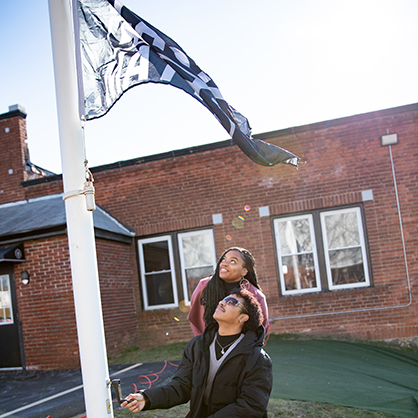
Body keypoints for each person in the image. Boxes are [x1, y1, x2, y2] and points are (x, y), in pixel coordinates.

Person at [121, 288, 273, 417]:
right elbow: (181, 386)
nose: (222, 302)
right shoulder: (197, 346)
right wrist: (147, 398)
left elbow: (251, 406)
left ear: (243, 317)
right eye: (224, 299)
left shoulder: (258, 358)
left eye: (231, 302)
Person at [187, 247, 269, 336]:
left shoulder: (256, 295)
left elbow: (261, 328)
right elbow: (195, 317)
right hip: (207, 343)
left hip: (242, 346)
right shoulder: (204, 286)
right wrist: (203, 341)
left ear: (244, 271)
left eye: (233, 261)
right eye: (223, 259)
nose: (224, 264)